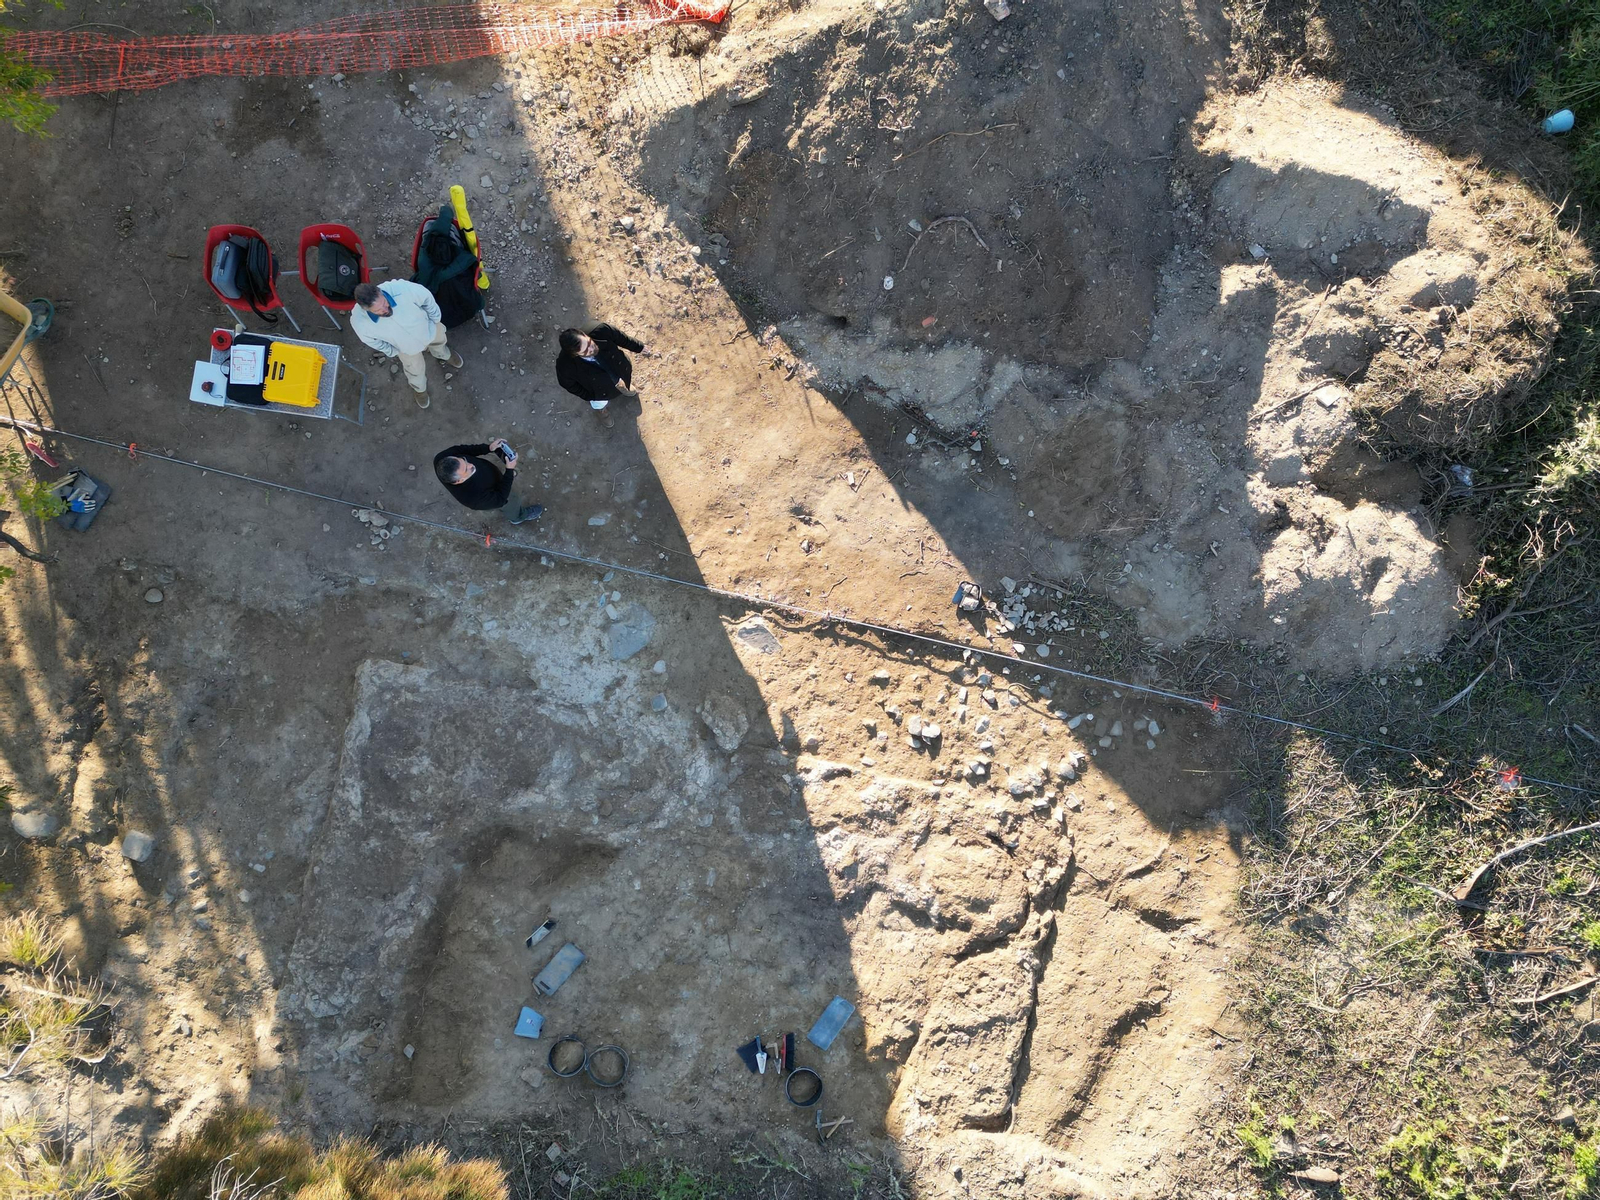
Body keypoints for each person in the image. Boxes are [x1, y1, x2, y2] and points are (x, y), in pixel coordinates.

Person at [351, 280, 464, 408]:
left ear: (380, 292)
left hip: (429, 328)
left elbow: (426, 297)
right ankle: (420, 389)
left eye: (384, 303)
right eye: (378, 310)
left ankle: (444, 354)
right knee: (414, 370)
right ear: (366, 310)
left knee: (439, 341)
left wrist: (435, 319)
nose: (386, 309)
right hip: (405, 348)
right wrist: (392, 351)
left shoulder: (401, 288)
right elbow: (370, 340)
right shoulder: (360, 322)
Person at [433, 438, 543, 524]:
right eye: (466, 469)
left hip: (494, 479)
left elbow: (463, 450)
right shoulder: (474, 499)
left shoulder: (442, 458)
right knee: (511, 503)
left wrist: (488, 448)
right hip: (498, 493)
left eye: (464, 460)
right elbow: (501, 499)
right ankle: (518, 517)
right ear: (458, 481)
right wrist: (509, 471)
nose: (471, 464)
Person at [555, 324, 645, 422]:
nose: (591, 349)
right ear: (575, 354)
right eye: (585, 351)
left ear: (584, 335)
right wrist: (591, 395)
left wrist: (639, 347)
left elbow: (622, 338)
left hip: (618, 371)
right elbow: (569, 385)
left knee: (624, 380)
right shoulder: (565, 367)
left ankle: (624, 387)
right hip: (599, 391)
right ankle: (601, 410)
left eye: (589, 343)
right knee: (599, 403)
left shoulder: (602, 330)